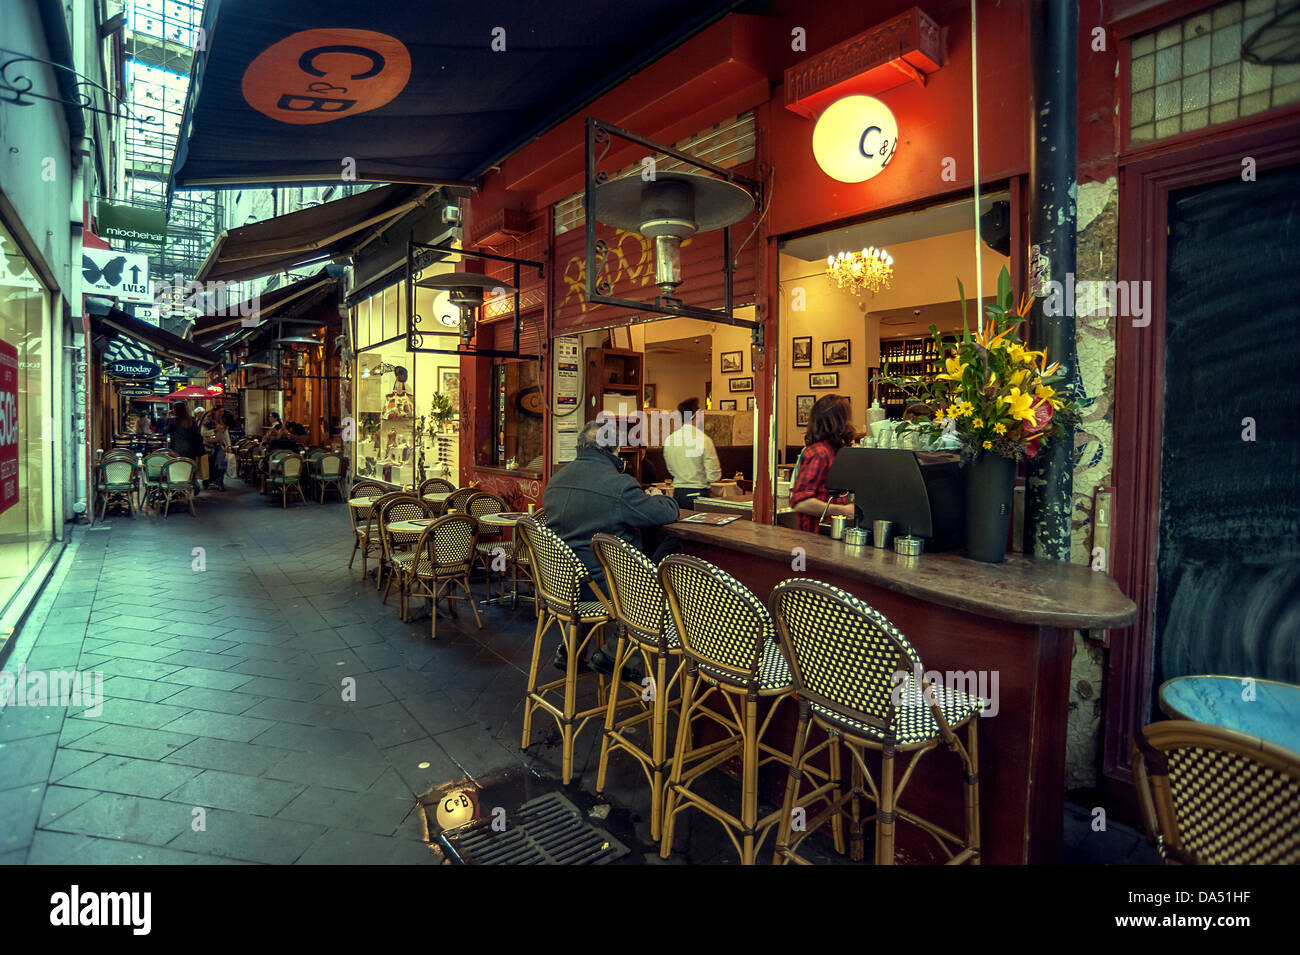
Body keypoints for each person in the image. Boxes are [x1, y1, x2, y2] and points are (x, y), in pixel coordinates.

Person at [542, 417, 679, 677]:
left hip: (560, 584)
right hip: (602, 588)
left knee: (586, 564)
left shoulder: (555, 481)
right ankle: (614, 652)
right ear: (614, 451)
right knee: (658, 588)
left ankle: (570, 649)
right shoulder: (618, 485)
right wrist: (664, 499)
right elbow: (662, 515)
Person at [789, 394, 857, 534]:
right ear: (838, 421)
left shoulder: (833, 451)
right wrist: (844, 510)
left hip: (829, 535)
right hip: (816, 539)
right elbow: (800, 502)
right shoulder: (820, 453)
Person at [661, 397, 721, 511]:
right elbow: (714, 475)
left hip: (678, 494)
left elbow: (670, 469)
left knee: (680, 527)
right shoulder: (703, 439)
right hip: (699, 493)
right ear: (696, 415)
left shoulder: (670, 439)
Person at [165, 402, 205, 490]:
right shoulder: (192, 420)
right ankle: (193, 483)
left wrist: (167, 418)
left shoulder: (173, 421)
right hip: (190, 449)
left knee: (177, 468)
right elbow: (197, 435)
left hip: (177, 449)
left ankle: (179, 489)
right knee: (189, 468)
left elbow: (166, 430)